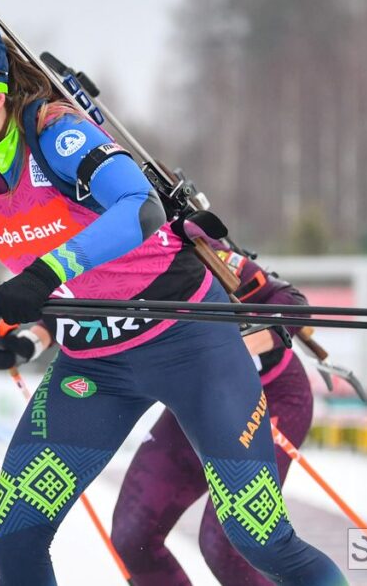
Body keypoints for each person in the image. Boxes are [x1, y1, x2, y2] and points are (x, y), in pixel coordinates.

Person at [0, 14, 346, 585]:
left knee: (258, 540)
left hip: (187, 340)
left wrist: (45, 275)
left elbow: (142, 208)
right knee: (14, 534)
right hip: (94, 359)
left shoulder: (54, 133)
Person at [110, 241, 316, 585]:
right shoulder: (92, 254)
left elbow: (291, 304)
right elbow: (64, 314)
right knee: (133, 537)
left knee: (227, 545)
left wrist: (238, 347)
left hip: (271, 395)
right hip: (197, 400)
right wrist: (32, 338)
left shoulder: (181, 242)